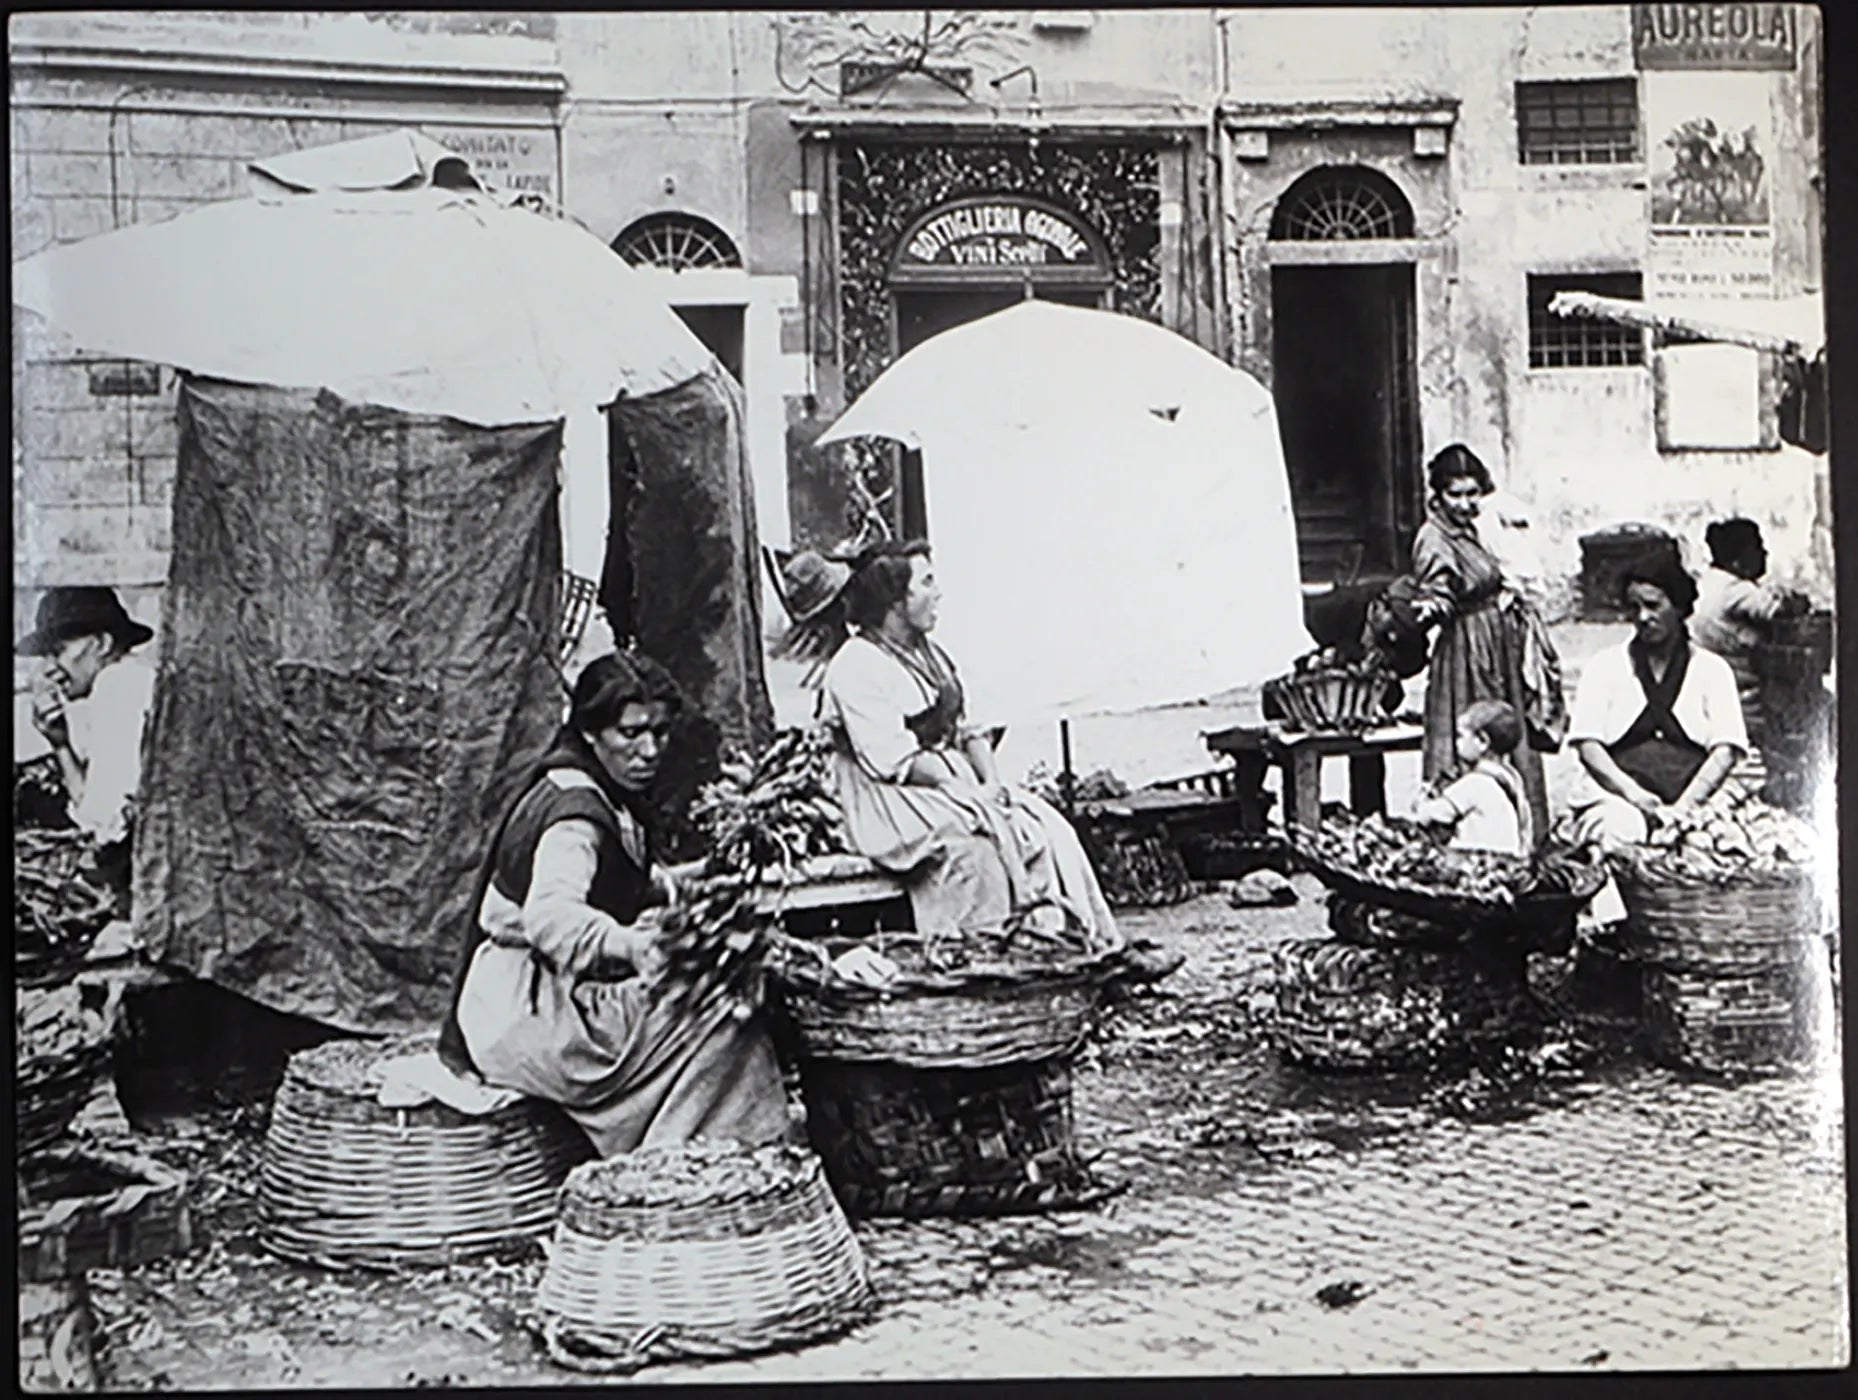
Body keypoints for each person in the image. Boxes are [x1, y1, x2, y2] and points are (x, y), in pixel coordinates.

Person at [436, 651, 790, 1157]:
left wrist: (687, 886)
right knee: (726, 1015)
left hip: (517, 999)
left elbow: (615, 879)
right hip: (532, 1016)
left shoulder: (590, 787)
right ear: (590, 733)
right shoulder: (575, 818)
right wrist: (632, 945)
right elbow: (550, 917)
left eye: (660, 733)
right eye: (630, 734)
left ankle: (689, 1152)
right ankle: (675, 1165)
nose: (649, 750)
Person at [815, 540, 1123, 955]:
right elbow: (892, 761)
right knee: (978, 845)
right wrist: (966, 793)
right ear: (894, 600)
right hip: (884, 797)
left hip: (944, 779)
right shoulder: (856, 664)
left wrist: (989, 781)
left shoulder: (930, 654)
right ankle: (987, 959)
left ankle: (1082, 943)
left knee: (1048, 827)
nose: (937, 592)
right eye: (926, 583)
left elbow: (965, 728)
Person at [1562, 552, 1749, 928]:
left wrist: (1682, 808)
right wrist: (1635, 796)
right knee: (1618, 830)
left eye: (1653, 605)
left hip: (1697, 798)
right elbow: (1588, 746)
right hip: (1619, 795)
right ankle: (1616, 936)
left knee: (1716, 850)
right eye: (1634, 607)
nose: (1643, 617)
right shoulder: (1606, 666)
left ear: (1680, 607)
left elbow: (1726, 750)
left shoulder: (1712, 671)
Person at [1409, 444, 1565, 850]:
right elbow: (1437, 590)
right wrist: (1431, 606)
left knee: (1505, 730)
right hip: (1465, 647)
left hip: (1497, 642)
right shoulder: (1434, 536)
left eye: (1472, 493)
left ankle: (1520, 835)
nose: (1465, 503)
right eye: (1455, 494)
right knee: (1473, 732)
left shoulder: (1478, 527)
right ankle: (1463, 836)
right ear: (1437, 496)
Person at [17, 586, 158, 901]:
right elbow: (101, 810)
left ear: (102, 644)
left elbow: (104, 825)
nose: (49, 669)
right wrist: (60, 744)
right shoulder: (126, 681)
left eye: (58, 651)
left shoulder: (119, 685)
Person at [1691, 517, 1809, 746]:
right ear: (1738, 561)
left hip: (1709, 688)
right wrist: (1794, 601)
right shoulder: (1736, 591)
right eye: (1758, 548)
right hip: (1744, 696)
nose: (1765, 554)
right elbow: (1778, 611)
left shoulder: (1708, 583)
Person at [1411, 699, 1531, 857]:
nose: (1457, 742)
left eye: (1461, 736)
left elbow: (1429, 816)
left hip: (1483, 860)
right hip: (1511, 857)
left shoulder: (1475, 783)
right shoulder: (1511, 776)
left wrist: (1422, 800)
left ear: (1482, 741)